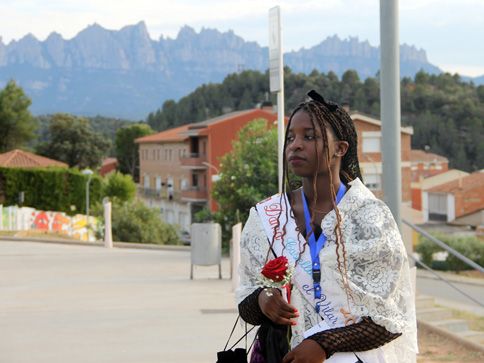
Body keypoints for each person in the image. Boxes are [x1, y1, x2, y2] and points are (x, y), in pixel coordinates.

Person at [236, 90, 417, 363]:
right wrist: (263, 299)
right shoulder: (267, 217)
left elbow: (390, 318)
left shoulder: (371, 218)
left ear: (340, 149)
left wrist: (323, 344)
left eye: (309, 136)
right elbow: (246, 305)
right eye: (291, 138)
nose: (295, 145)